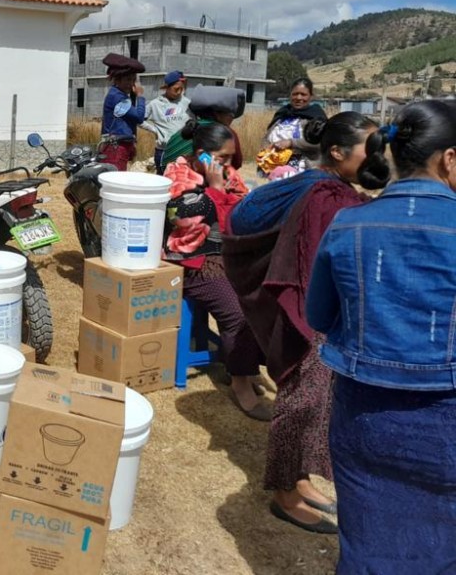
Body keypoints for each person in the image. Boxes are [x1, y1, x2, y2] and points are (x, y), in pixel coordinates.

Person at [306, 100, 456, 573]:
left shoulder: (347, 223)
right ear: (449, 159)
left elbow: (319, 314)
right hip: (446, 419)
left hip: (363, 419)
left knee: (368, 545)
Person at [224, 112, 383, 535]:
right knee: (301, 401)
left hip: (311, 308)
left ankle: (299, 479)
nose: (378, 156)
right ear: (336, 152)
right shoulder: (325, 197)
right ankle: (285, 494)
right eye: (371, 147)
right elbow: (318, 264)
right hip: (311, 314)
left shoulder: (325, 186)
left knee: (312, 400)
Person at [161, 121, 268, 419]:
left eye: (230, 158)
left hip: (228, 256)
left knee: (262, 302)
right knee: (236, 313)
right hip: (191, 262)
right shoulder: (177, 174)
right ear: (201, 155)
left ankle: (241, 363)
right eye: (220, 157)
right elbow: (183, 219)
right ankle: (240, 383)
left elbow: (244, 210)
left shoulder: (226, 173)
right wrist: (217, 191)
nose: (227, 164)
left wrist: (219, 192)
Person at [161, 85, 245, 170]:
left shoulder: (184, 130)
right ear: (217, 114)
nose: (232, 118)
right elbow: (236, 164)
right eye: (231, 114)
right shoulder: (226, 134)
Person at [260, 77, 326, 178]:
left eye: (303, 94)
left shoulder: (316, 118)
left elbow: (321, 143)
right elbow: (267, 136)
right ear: (290, 95)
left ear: (311, 96)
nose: (299, 98)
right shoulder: (282, 113)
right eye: (295, 94)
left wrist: (291, 143)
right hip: (276, 167)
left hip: (304, 170)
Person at [100, 53, 146, 170]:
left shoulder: (121, 96)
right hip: (116, 147)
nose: (130, 84)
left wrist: (132, 142)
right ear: (117, 79)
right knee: (116, 181)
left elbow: (128, 121)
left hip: (121, 145)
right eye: (127, 80)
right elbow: (138, 117)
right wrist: (140, 97)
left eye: (132, 80)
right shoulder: (117, 97)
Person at [140, 70, 189, 174]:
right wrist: (154, 130)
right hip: (165, 151)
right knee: (165, 181)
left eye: (181, 89)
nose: (179, 92)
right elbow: (139, 119)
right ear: (167, 87)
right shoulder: (155, 104)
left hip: (184, 150)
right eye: (176, 89)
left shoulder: (187, 103)